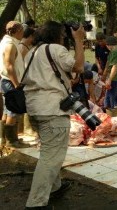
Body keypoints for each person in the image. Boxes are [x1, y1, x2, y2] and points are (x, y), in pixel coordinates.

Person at [23, 21, 85, 208]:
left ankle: (55, 187)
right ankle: (35, 203)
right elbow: (79, 67)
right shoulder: (56, 49)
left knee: (50, 151)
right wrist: (79, 40)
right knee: (50, 157)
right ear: (56, 35)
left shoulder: (32, 52)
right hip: (52, 110)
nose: (64, 37)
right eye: (63, 35)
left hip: (35, 109)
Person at [0, 21, 29, 148]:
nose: (23, 33)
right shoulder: (10, 45)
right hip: (11, 81)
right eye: (22, 31)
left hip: (8, 81)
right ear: (17, 31)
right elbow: (9, 66)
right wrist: (16, 84)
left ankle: (6, 139)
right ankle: (11, 141)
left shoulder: (6, 42)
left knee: (8, 111)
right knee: (13, 111)